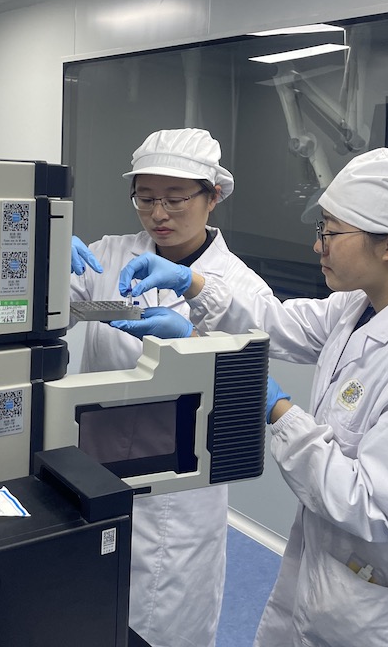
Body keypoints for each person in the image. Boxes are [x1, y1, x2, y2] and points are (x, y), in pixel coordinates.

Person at [114, 147, 388, 647]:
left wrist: (278, 410)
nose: (316, 245)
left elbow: (369, 506)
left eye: (331, 232)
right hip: (327, 572)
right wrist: (194, 284)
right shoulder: (358, 308)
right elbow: (280, 324)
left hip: (380, 611)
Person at [69, 127, 263, 647]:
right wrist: (39, 259)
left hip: (179, 491)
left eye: (176, 199)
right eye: (146, 198)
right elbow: (42, 305)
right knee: (81, 609)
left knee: (165, 623)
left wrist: (195, 338)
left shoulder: (240, 285)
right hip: (94, 461)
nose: (159, 214)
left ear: (212, 197)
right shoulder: (107, 255)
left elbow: (247, 382)